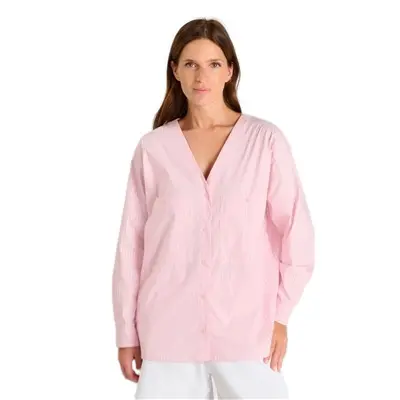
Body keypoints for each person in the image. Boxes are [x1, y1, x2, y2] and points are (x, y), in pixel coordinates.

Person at [112, 17, 315, 399]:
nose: (201, 76)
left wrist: (280, 315)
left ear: (230, 71)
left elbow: (296, 234)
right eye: (190, 64)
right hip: (168, 332)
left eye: (213, 64)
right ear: (175, 70)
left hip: (248, 331)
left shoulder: (264, 141)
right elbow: (131, 247)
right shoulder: (153, 149)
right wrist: (127, 332)